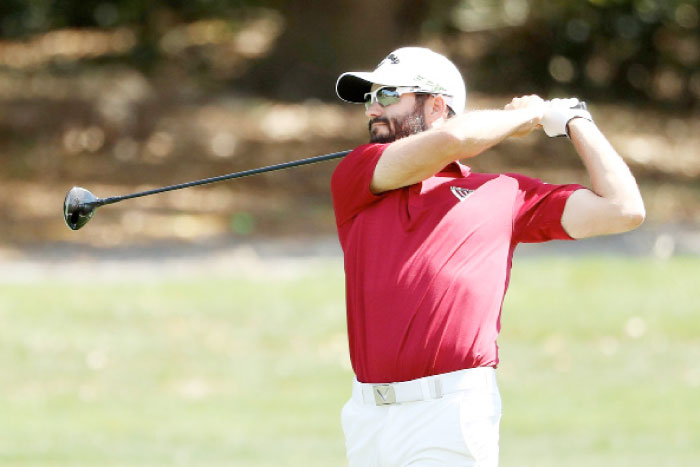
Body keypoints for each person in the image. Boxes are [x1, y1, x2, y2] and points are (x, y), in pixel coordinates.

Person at [330, 47, 645, 466]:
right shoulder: (357, 174)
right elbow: (453, 139)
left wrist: (574, 120)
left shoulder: (503, 192)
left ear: (437, 106)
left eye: (387, 95)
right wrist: (528, 116)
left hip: (449, 413)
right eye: (369, 99)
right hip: (367, 418)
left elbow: (625, 209)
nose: (373, 109)